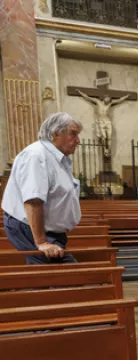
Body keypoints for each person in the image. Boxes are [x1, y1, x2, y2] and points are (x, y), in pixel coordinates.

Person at [2, 112, 82, 264]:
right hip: (29, 229)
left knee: (54, 276)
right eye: (73, 134)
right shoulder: (36, 156)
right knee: (65, 274)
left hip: (50, 231)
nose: (78, 140)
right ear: (55, 133)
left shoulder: (57, 158)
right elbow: (33, 201)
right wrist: (41, 242)